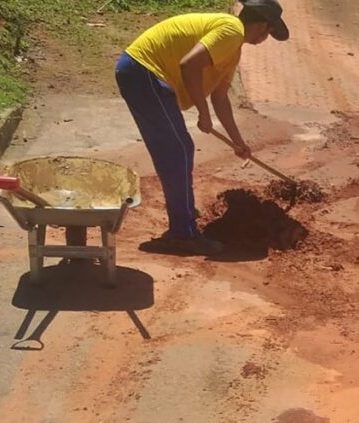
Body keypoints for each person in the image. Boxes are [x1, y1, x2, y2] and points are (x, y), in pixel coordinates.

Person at [116, 1, 290, 256]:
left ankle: (182, 214)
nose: (266, 38)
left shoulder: (233, 48)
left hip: (145, 75)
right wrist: (202, 112)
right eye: (269, 33)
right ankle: (182, 234)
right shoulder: (231, 30)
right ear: (264, 26)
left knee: (175, 149)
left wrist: (238, 142)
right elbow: (190, 64)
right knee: (178, 150)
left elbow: (220, 97)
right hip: (144, 71)